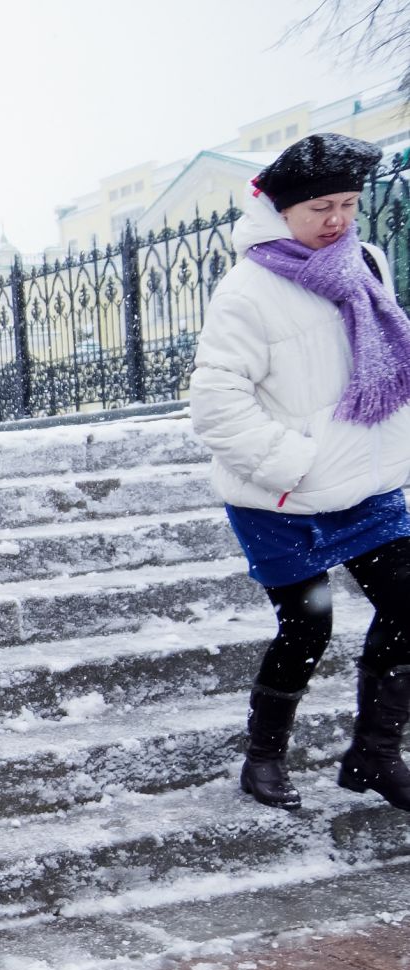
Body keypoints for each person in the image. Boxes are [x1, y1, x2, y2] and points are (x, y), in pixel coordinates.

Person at [189, 133, 410, 812]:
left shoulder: (365, 261)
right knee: (306, 627)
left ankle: (373, 755)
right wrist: (297, 466)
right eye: (321, 208)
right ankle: (264, 757)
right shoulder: (247, 291)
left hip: (364, 484)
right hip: (280, 496)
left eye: (347, 203)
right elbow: (216, 404)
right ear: (281, 211)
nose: (338, 220)